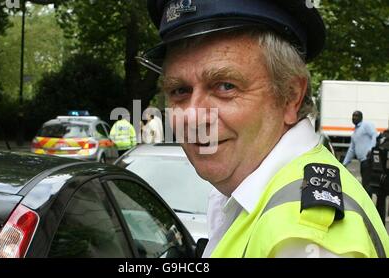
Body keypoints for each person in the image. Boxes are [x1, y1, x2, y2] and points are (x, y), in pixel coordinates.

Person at [139, 0, 389, 257]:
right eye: (179, 91)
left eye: (225, 86)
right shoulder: (260, 191)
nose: (192, 116)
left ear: (290, 96)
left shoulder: (300, 239)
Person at [342, 111, 378, 196]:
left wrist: (371, 149)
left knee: (367, 185)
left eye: (356, 116)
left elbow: (374, 135)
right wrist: (344, 164)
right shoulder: (355, 132)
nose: (354, 118)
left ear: (361, 117)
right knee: (365, 184)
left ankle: (368, 206)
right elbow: (351, 149)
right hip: (362, 161)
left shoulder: (365, 125)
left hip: (368, 160)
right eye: (353, 116)